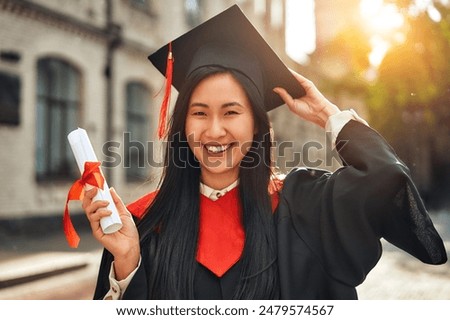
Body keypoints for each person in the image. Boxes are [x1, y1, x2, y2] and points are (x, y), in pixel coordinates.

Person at [82, 5, 447, 299]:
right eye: (199, 113)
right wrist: (127, 262)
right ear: (182, 124)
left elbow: (385, 179)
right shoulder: (144, 222)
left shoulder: (303, 204)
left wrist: (329, 116)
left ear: (257, 125)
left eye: (231, 112)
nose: (214, 131)